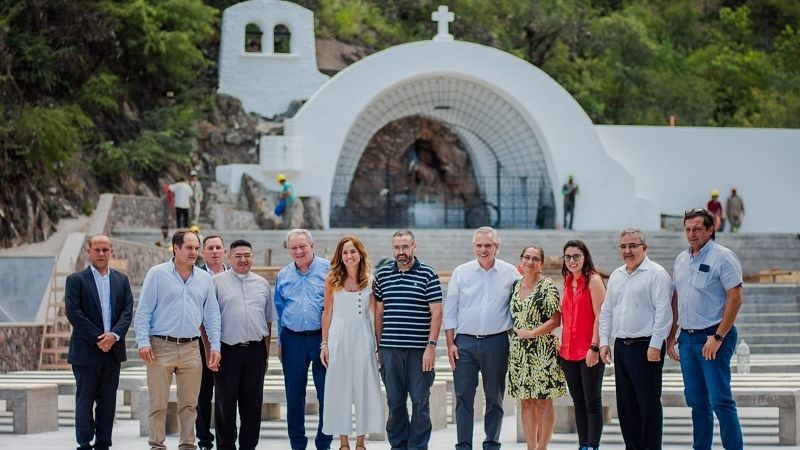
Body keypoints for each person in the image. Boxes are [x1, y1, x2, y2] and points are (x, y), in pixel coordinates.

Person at [134, 229, 222, 450]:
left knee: (190, 405)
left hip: (192, 347)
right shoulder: (157, 274)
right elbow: (143, 310)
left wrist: (215, 347)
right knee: (158, 404)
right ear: (176, 248)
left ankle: (187, 445)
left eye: (195, 248)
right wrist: (143, 342)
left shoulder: (204, 278)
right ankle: (157, 445)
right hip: (160, 346)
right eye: (189, 247)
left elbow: (212, 315)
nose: (193, 252)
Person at [667, 208, 745, 450]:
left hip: (713, 335)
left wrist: (718, 336)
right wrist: (671, 337)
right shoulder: (681, 259)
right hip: (688, 339)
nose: (691, 234)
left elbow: (736, 298)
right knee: (696, 401)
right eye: (688, 229)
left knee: (720, 400)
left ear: (711, 230)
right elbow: (677, 299)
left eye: (697, 229)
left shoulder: (723, 257)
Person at [444, 226, 520, 450]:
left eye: (488, 245)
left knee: (495, 398)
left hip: (496, 342)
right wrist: (450, 344)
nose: (483, 249)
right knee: (463, 397)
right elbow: (450, 312)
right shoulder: (461, 272)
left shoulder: (511, 273)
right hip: (464, 343)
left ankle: (491, 443)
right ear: (473, 247)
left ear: (497, 247)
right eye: (479, 245)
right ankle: (464, 445)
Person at [598, 228, 672, 450]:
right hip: (621, 347)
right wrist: (604, 342)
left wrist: (655, 344)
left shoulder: (657, 274)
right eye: (623, 246)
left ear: (644, 248)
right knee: (627, 405)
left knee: (648, 406)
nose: (627, 250)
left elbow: (663, 312)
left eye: (633, 246)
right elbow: (607, 310)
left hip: (646, 347)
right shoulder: (617, 275)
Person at [374, 229, 443, 450]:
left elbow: (437, 313)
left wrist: (430, 347)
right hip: (390, 351)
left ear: (414, 246)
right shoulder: (383, 275)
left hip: (419, 352)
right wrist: (379, 348)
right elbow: (378, 314)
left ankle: (418, 447)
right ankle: (398, 446)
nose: (401, 251)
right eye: (397, 247)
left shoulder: (428, 274)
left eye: (405, 247)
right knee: (394, 403)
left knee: (420, 402)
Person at [65, 235, 133, 450]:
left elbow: (127, 311)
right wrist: (99, 339)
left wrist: (113, 336)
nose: (102, 254)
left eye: (105, 250)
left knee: (107, 401)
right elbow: (74, 313)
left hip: (112, 352)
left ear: (111, 251)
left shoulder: (121, 280)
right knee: (84, 401)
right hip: (86, 352)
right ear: (89, 251)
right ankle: (84, 443)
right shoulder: (76, 280)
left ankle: (104, 443)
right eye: (97, 250)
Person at [320, 236, 383, 450]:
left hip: (363, 336)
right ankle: (344, 442)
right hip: (339, 336)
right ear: (340, 256)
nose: (349, 256)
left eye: (353, 251)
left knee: (365, 386)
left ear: (360, 254)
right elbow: (327, 313)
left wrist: (377, 346)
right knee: (340, 388)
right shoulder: (332, 280)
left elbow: (375, 315)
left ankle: (361, 442)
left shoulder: (371, 280)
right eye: (345, 252)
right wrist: (324, 344)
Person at [212, 239, 275, 450]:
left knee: (252, 404)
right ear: (229, 257)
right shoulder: (217, 282)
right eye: (238, 256)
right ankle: (226, 446)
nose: (243, 260)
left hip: (255, 351)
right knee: (225, 404)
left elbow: (268, 321)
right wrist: (211, 351)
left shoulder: (262, 284)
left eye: (247, 255)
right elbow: (208, 321)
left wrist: (265, 356)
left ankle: (249, 446)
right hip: (227, 351)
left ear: (253, 257)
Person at [274, 229, 333, 450]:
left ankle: (323, 442)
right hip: (293, 339)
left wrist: (329, 341)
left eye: (303, 246)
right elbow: (279, 310)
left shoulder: (329, 270)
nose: (299, 251)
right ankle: (297, 444)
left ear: (312, 246)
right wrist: (281, 343)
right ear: (289, 250)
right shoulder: (283, 274)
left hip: (321, 338)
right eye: (294, 248)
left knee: (325, 392)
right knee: (294, 394)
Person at [508, 245, 566, 450]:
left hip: (542, 351)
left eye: (535, 259)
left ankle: (542, 448)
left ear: (541, 263)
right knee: (525, 401)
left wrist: (531, 333)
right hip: (519, 353)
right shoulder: (515, 285)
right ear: (521, 260)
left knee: (543, 401)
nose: (530, 262)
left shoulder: (547, 286)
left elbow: (556, 320)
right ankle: (530, 447)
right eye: (527, 257)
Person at [558, 240, 606, 450]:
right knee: (578, 402)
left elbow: (600, 315)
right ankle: (583, 445)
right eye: (567, 257)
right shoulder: (568, 280)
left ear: (584, 257)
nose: (572, 261)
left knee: (592, 402)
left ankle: (593, 445)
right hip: (568, 352)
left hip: (589, 351)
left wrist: (594, 347)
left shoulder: (594, 280)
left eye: (576, 256)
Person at [195, 235, 228, 450]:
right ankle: (204, 440)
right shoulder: (196, 276)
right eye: (210, 248)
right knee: (203, 394)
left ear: (224, 251)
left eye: (218, 247)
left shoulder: (233, 276)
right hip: (201, 343)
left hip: (229, 342)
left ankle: (226, 440)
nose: (215, 251)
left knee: (226, 394)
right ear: (203, 252)